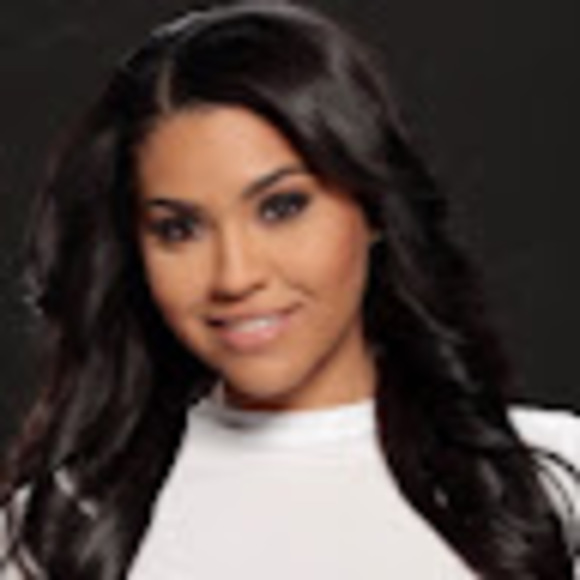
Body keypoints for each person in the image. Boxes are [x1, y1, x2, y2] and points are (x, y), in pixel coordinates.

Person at [0, 1, 578, 578]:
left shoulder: (556, 482)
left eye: (282, 207)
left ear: (374, 207)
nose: (235, 276)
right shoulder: (60, 527)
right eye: (179, 229)